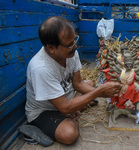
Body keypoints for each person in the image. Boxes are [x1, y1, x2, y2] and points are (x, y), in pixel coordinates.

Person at [25, 16, 122, 145]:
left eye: (74, 40)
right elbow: (64, 107)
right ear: (51, 48)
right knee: (70, 134)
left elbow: (78, 83)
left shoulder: (70, 52)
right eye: (70, 44)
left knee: (89, 84)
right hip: (44, 111)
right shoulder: (40, 68)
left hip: (65, 97)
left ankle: (74, 109)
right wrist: (99, 92)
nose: (75, 46)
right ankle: (38, 128)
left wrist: (104, 92)